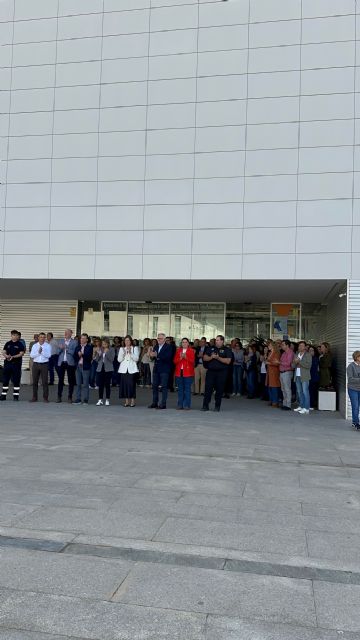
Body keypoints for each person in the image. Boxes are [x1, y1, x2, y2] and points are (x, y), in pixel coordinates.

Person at [202, 335, 232, 412]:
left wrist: (218, 358)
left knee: (219, 389)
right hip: (211, 371)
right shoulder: (210, 348)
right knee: (208, 389)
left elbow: (228, 361)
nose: (216, 341)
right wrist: (211, 357)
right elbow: (204, 358)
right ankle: (205, 405)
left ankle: (217, 406)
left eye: (218, 340)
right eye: (216, 340)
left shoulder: (227, 350)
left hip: (221, 372)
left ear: (222, 341)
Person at [148, 333, 173, 409]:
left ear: (164, 339)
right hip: (156, 369)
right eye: (158, 338)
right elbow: (153, 358)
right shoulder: (155, 346)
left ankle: (163, 404)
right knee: (154, 386)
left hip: (164, 369)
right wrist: (151, 355)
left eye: (161, 338)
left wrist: (156, 355)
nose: (159, 340)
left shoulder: (168, 347)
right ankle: (155, 402)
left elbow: (168, 357)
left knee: (164, 387)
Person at [0, 330, 25, 401]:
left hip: (16, 365)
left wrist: (13, 357)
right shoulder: (8, 343)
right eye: (13, 335)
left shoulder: (20, 344)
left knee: (16, 380)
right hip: (7, 365)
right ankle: (3, 396)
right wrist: (6, 356)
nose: (14, 336)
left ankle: (16, 396)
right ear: (11, 336)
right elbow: (4, 351)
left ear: (18, 336)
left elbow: (21, 353)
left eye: (16, 335)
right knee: (5, 380)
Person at [56, 329, 78, 403]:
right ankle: (59, 397)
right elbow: (57, 352)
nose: (65, 334)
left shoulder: (74, 342)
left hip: (70, 362)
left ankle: (70, 397)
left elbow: (75, 352)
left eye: (67, 333)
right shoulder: (61, 341)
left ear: (71, 334)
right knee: (60, 380)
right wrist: (61, 349)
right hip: (61, 362)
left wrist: (67, 348)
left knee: (70, 380)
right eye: (65, 333)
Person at [118, 335, 139, 407]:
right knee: (125, 385)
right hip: (123, 369)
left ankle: (132, 401)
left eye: (128, 340)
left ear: (131, 341)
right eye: (126, 340)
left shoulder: (134, 348)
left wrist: (131, 352)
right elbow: (119, 360)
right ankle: (126, 401)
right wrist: (123, 354)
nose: (127, 342)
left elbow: (136, 359)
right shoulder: (122, 349)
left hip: (132, 369)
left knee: (131, 385)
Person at [174, 337, 195, 410]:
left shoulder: (191, 351)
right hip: (179, 372)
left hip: (188, 372)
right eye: (183, 342)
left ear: (188, 343)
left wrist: (185, 357)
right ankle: (180, 404)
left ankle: (186, 405)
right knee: (180, 389)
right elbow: (174, 361)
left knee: (187, 389)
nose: (184, 343)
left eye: (186, 342)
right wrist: (180, 358)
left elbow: (192, 361)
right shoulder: (178, 350)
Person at [30, 332, 51, 403]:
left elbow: (49, 355)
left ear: (45, 338)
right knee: (35, 382)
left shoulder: (48, 346)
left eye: (43, 337)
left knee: (45, 382)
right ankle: (34, 397)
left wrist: (42, 352)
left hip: (44, 364)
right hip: (36, 364)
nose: (42, 338)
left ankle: (45, 398)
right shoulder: (34, 346)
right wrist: (38, 352)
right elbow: (32, 355)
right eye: (41, 337)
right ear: (38, 338)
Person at [292, 341, 312, 415]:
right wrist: (295, 363)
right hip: (297, 375)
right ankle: (301, 405)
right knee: (299, 392)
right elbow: (293, 365)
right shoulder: (296, 354)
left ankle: (306, 408)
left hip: (305, 376)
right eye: (299, 346)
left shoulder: (308, 355)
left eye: (302, 346)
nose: (300, 347)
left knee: (305, 392)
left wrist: (299, 362)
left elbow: (308, 366)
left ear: (305, 347)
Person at [74, 333, 93, 405]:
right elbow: (74, 357)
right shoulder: (77, 347)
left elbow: (89, 358)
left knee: (85, 384)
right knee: (78, 384)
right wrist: (78, 355)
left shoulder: (89, 347)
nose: (82, 340)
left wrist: (82, 354)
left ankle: (85, 400)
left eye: (83, 338)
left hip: (85, 367)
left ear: (87, 340)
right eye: (81, 338)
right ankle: (78, 399)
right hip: (78, 366)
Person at [95, 338, 115, 406]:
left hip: (108, 369)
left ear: (108, 344)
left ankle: (107, 399)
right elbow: (97, 360)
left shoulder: (111, 349)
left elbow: (112, 359)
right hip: (100, 368)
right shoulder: (100, 349)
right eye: (103, 344)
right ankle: (100, 399)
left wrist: (107, 353)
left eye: (105, 344)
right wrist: (99, 353)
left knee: (107, 385)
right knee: (100, 385)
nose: (103, 345)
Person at [279, 339, 294, 411]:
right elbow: (282, 362)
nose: (281, 346)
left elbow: (288, 363)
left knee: (287, 389)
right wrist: (280, 362)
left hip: (287, 372)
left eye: (283, 345)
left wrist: (279, 362)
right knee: (283, 389)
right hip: (282, 372)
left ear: (287, 345)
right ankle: (284, 404)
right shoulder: (284, 353)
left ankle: (288, 405)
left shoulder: (290, 353)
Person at [347, 351, 360, 430]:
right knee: (355, 406)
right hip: (353, 389)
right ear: (357, 357)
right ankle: (355, 423)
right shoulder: (351, 366)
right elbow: (350, 379)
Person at [266, 340, 281, 407]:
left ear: (273, 346)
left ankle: (275, 401)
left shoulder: (277, 353)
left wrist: (269, 363)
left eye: (269, 345)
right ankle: (271, 400)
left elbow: (277, 363)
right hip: (269, 371)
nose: (268, 346)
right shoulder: (269, 353)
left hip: (274, 371)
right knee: (270, 386)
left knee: (274, 386)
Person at [309, 345, 320, 410]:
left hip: (314, 377)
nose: (311, 352)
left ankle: (312, 404)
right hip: (309, 377)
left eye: (312, 350)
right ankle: (310, 404)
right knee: (310, 391)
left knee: (313, 391)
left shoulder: (315, 359)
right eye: (309, 350)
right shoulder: (308, 358)